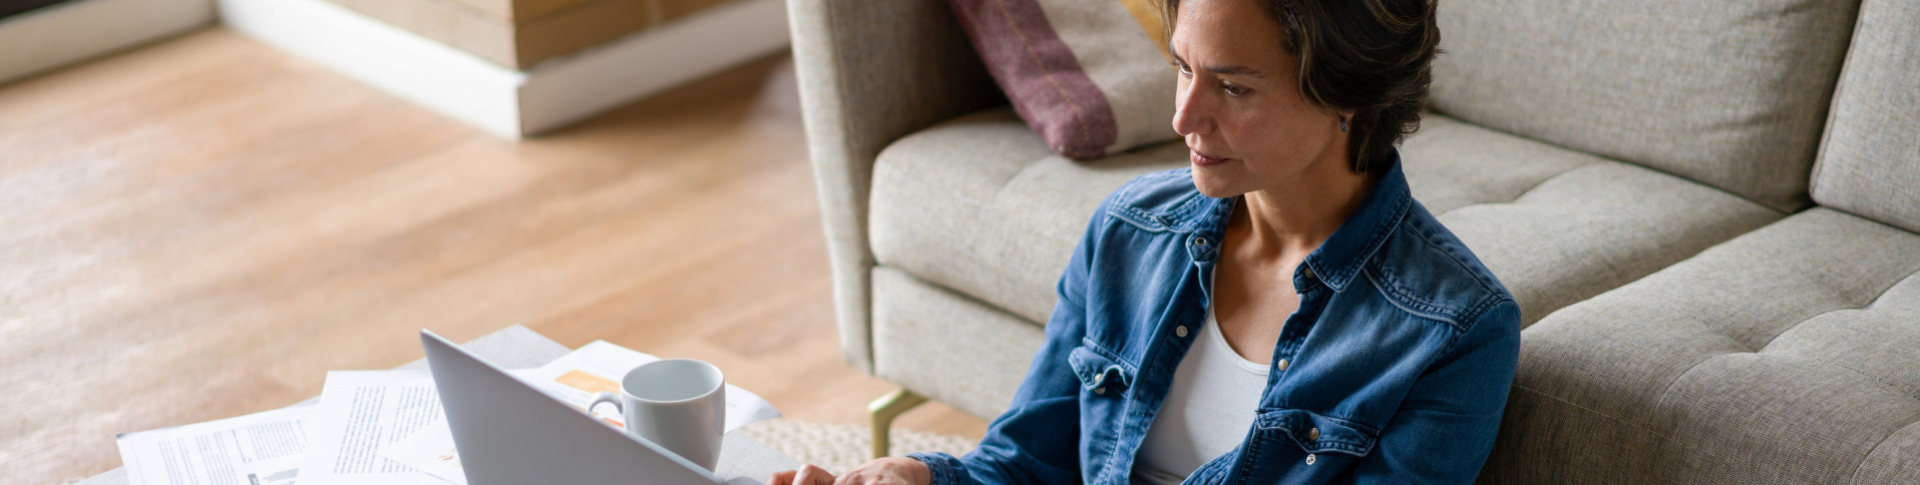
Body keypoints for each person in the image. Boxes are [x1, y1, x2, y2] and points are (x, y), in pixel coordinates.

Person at [773, 0, 1518, 482]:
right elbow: (1027, 458)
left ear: (1348, 95)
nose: (1184, 117)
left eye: (1233, 87)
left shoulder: (1451, 331)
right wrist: (924, 478)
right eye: (1182, 68)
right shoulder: (1129, 232)